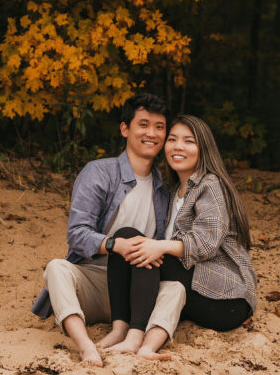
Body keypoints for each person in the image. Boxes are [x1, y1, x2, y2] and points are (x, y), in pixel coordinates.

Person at [31, 93, 185, 367]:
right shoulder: (100, 173)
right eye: (144, 124)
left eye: (159, 127)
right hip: (93, 281)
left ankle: (139, 339)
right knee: (56, 268)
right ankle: (86, 345)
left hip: (136, 290)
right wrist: (115, 245)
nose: (152, 133)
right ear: (125, 129)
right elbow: (77, 233)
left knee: (176, 289)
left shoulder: (164, 190)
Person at [102, 114, 257, 359]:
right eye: (172, 139)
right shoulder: (174, 192)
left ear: (203, 148)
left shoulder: (210, 185)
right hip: (195, 291)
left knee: (144, 247)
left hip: (226, 300)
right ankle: (120, 328)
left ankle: (134, 335)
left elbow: (205, 244)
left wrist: (158, 246)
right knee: (128, 240)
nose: (178, 147)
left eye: (189, 141)